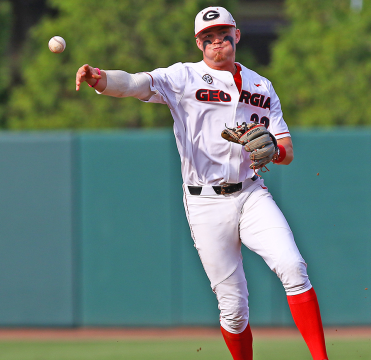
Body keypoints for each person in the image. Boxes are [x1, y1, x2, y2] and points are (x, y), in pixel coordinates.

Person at [75, 6, 329, 360]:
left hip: (251, 192)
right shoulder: (183, 78)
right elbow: (135, 84)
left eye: (223, 34)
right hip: (205, 202)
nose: (216, 43)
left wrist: (274, 150)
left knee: (293, 267)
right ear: (198, 43)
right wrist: (100, 78)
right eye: (207, 38)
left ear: (236, 36)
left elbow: (286, 148)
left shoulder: (261, 86)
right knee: (234, 311)